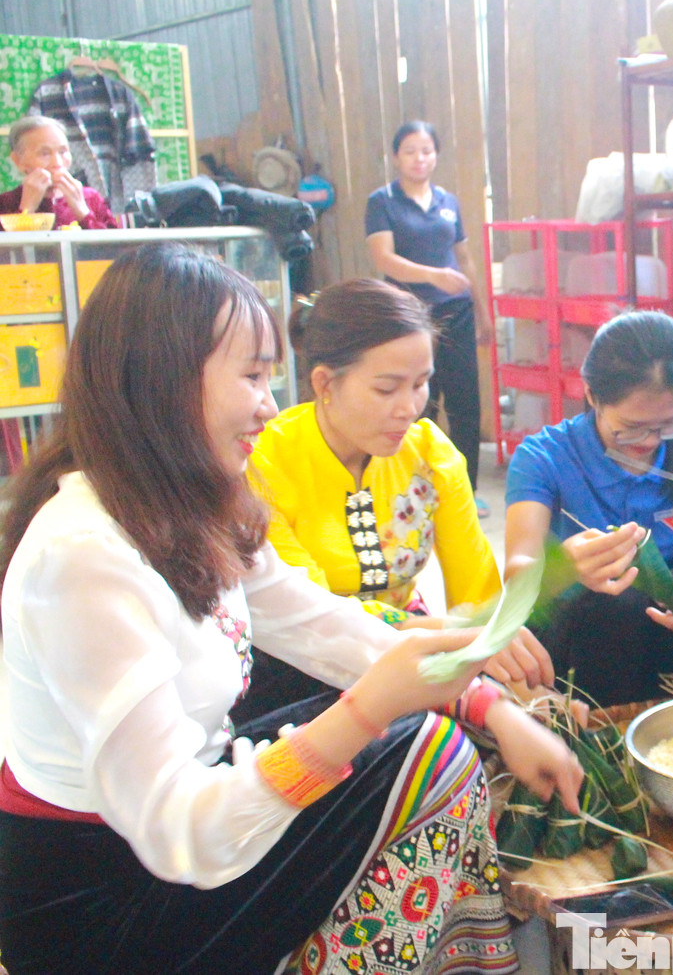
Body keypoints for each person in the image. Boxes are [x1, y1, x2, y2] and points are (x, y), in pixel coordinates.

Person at [0, 243, 583, 975]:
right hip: (104, 901)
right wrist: (371, 708)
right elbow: (179, 830)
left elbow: (319, 623)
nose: (269, 404)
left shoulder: (188, 502)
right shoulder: (83, 556)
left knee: (418, 726)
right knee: (421, 753)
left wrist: (484, 700)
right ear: (162, 382)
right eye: (250, 376)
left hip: (186, 821)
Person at [241, 278, 551, 719]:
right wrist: (457, 635)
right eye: (387, 389)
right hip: (304, 661)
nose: (410, 408)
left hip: (424, 633)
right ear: (325, 383)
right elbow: (310, 618)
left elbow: (476, 590)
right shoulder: (266, 463)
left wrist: (507, 660)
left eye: (421, 383)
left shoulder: (428, 454)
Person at [504, 310, 673, 706]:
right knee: (618, 601)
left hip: (656, 634)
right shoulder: (545, 457)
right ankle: (603, 728)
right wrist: (566, 566)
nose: (650, 442)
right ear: (592, 395)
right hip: (573, 639)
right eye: (631, 427)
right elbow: (516, 579)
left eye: (669, 424)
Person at [366, 120, 486, 507]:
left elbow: (465, 260)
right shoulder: (382, 201)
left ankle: (467, 489)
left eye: (427, 150)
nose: (420, 158)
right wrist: (433, 275)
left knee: (465, 400)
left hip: (457, 312)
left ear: (436, 155)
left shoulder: (448, 202)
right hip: (409, 317)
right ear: (396, 156)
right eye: (411, 151)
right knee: (419, 399)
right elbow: (384, 259)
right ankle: (415, 491)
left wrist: (484, 311)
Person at [0, 115, 118, 230]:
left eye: (63, 151)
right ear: (18, 161)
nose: (57, 162)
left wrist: (82, 211)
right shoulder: (6, 202)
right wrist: (26, 208)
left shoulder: (91, 198)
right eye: (44, 153)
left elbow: (116, 247)